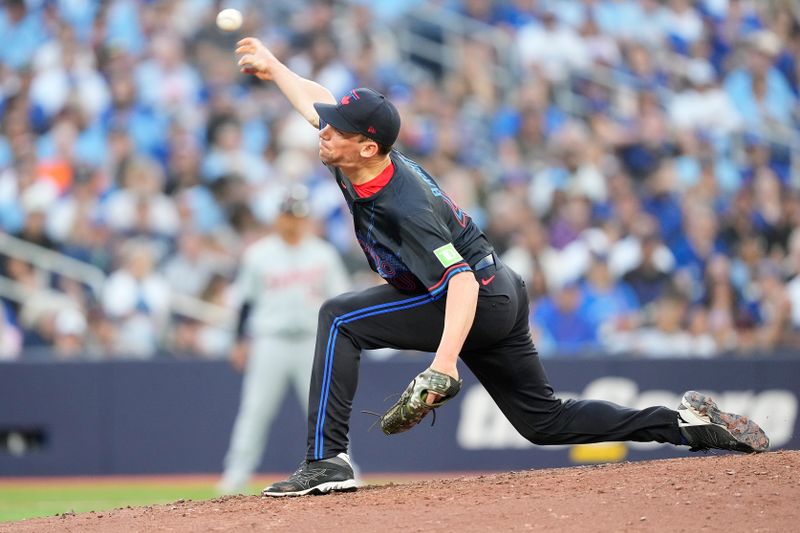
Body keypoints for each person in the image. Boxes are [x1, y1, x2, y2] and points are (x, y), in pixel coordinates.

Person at [234, 37, 770, 497]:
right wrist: (274, 66)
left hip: (474, 298)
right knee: (544, 421)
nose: (322, 133)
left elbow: (460, 282)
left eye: (335, 131)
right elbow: (320, 101)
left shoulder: (403, 204)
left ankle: (328, 460)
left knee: (339, 318)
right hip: (502, 288)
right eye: (326, 128)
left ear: (367, 145)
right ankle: (685, 426)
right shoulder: (357, 153)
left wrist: (443, 366)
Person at [217, 185, 351, 494]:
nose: (293, 222)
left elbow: (341, 300)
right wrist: (239, 341)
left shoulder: (323, 253)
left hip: (310, 340)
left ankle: (344, 467)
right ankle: (236, 474)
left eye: (299, 216)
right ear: (278, 217)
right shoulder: (258, 254)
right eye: (288, 215)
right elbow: (246, 302)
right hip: (270, 340)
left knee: (324, 411)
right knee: (256, 410)